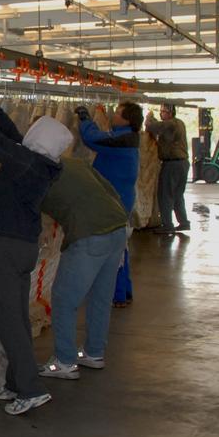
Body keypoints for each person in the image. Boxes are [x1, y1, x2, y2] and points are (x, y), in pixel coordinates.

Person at [0, 100, 72, 416]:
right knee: (19, 317)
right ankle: (15, 382)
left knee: (7, 320)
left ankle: (31, 389)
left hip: (8, 247)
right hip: (21, 247)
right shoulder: (40, 163)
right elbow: (14, 139)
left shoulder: (26, 163)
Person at [37, 154, 130, 379]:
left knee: (63, 298)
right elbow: (111, 192)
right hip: (117, 228)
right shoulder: (74, 162)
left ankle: (65, 361)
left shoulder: (39, 173)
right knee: (100, 295)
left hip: (89, 235)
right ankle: (94, 352)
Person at [75, 101, 141, 308]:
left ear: (127, 119)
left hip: (115, 200)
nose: (113, 115)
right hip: (119, 198)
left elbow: (93, 139)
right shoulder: (124, 136)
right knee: (119, 245)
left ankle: (118, 294)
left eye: (118, 113)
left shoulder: (123, 139)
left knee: (114, 248)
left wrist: (85, 119)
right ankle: (124, 291)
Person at [145, 103, 191, 235]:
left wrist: (149, 119)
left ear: (170, 113)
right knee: (177, 194)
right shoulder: (178, 123)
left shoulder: (171, 124)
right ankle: (183, 222)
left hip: (172, 164)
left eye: (163, 112)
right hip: (181, 163)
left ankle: (167, 225)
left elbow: (154, 127)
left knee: (165, 194)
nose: (161, 114)